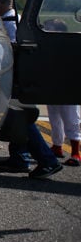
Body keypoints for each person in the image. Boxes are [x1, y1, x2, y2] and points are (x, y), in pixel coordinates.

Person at [0, 0, 63, 179]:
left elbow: (10, 49)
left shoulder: (10, 22)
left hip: (12, 78)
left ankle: (47, 160)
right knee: (18, 118)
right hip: (16, 77)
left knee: (19, 119)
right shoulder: (14, 19)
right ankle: (20, 158)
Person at [43, 19, 81, 166]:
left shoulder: (70, 45)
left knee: (71, 118)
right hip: (52, 86)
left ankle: (76, 152)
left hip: (67, 87)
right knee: (54, 117)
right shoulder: (48, 46)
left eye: (50, 29)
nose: (46, 32)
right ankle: (57, 146)